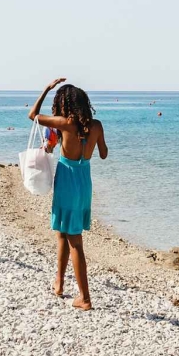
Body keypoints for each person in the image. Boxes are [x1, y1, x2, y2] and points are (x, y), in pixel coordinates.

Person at [29, 77, 108, 310]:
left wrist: (46, 89)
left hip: (66, 181)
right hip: (84, 182)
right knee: (63, 233)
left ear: (63, 104)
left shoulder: (64, 123)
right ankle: (60, 283)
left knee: (75, 241)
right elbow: (104, 154)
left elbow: (33, 115)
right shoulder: (96, 125)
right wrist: (90, 142)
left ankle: (85, 297)